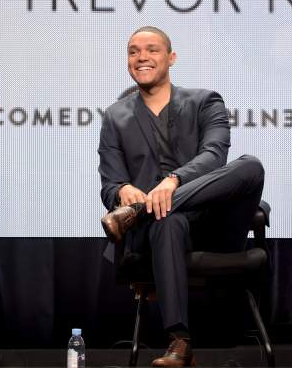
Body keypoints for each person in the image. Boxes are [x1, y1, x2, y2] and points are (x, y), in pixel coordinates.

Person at [98, 27, 265, 367]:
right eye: (133, 51)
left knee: (250, 166)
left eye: (151, 49)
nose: (142, 57)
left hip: (215, 225)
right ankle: (179, 342)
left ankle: (140, 212)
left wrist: (172, 182)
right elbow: (110, 184)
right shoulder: (115, 117)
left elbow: (214, 156)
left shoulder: (205, 101)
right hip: (160, 233)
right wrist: (121, 191)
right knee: (166, 221)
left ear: (171, 58)